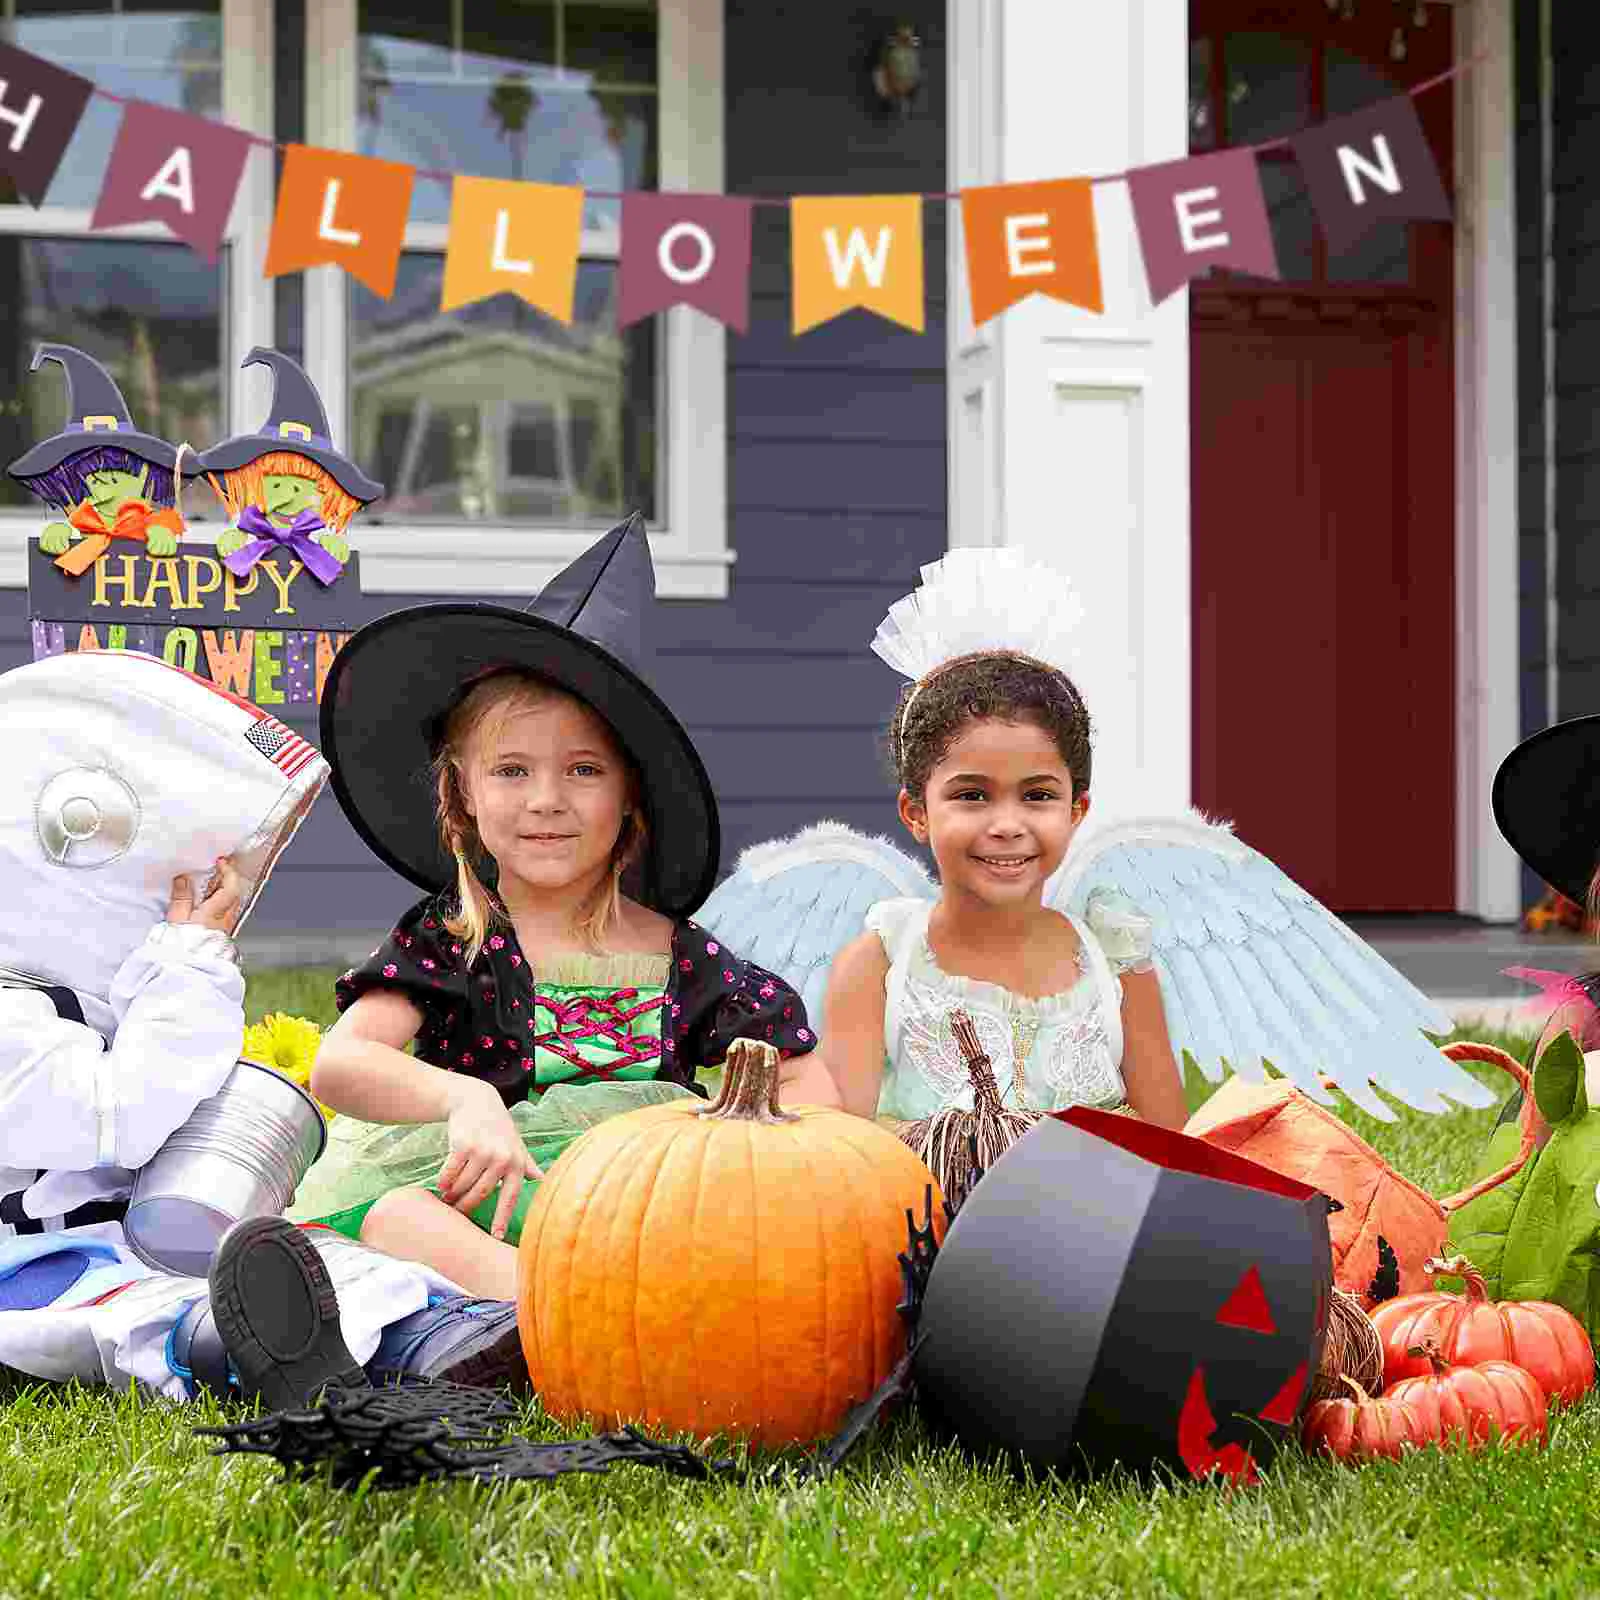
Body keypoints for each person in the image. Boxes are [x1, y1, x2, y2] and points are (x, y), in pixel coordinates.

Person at [293, 515, 818, 1299]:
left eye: (583, 770)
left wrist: (733, 1153)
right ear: (463, 794)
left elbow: (803, 1074)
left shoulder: (682, 958)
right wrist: (464, 1098)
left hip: (635, 1217)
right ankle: (541, 1315)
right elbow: (340, 1065)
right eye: (511, 771)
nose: (546, 800)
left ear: (630, 794)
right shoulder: (454, 938)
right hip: (489, 1206)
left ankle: (544, 1317)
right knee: (397, 1216)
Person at [0, 649, 543, 1402]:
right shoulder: (11, 1016)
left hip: (141, 1235)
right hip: (36, 1265)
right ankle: (247, 1353)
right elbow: (119, 1114)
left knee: (307, 1261)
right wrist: (188, 963)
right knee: (142, 1313)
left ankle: (446, 1330)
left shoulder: (76, 997)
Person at [817, 641, 1190, 1132]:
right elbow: (843, 1153)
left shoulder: (1115, 964)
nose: (1008, 825)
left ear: (1075, 811)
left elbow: (1175, 1149)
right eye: (972, 795)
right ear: (917, 813)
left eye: (1037, 795)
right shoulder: (881, 965)